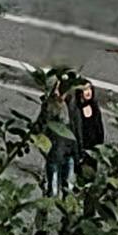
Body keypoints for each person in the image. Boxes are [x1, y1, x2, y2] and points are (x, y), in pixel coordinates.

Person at [37, 71, 77, 201]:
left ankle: (67, 214)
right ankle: (46, 211)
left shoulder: (71, 106)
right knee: (53, 190)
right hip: (56, 151)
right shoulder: (52, 106)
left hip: (68, 152)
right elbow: (41, 124)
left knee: (68, 189)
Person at [69, 77, 106, 179]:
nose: (88, 92)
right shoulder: (76, 110)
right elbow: (75, 130)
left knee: (91, 176)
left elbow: (99, 126)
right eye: (85, 90)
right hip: (82, 149)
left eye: (89, 89)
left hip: (94, 149)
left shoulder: (95, 106)